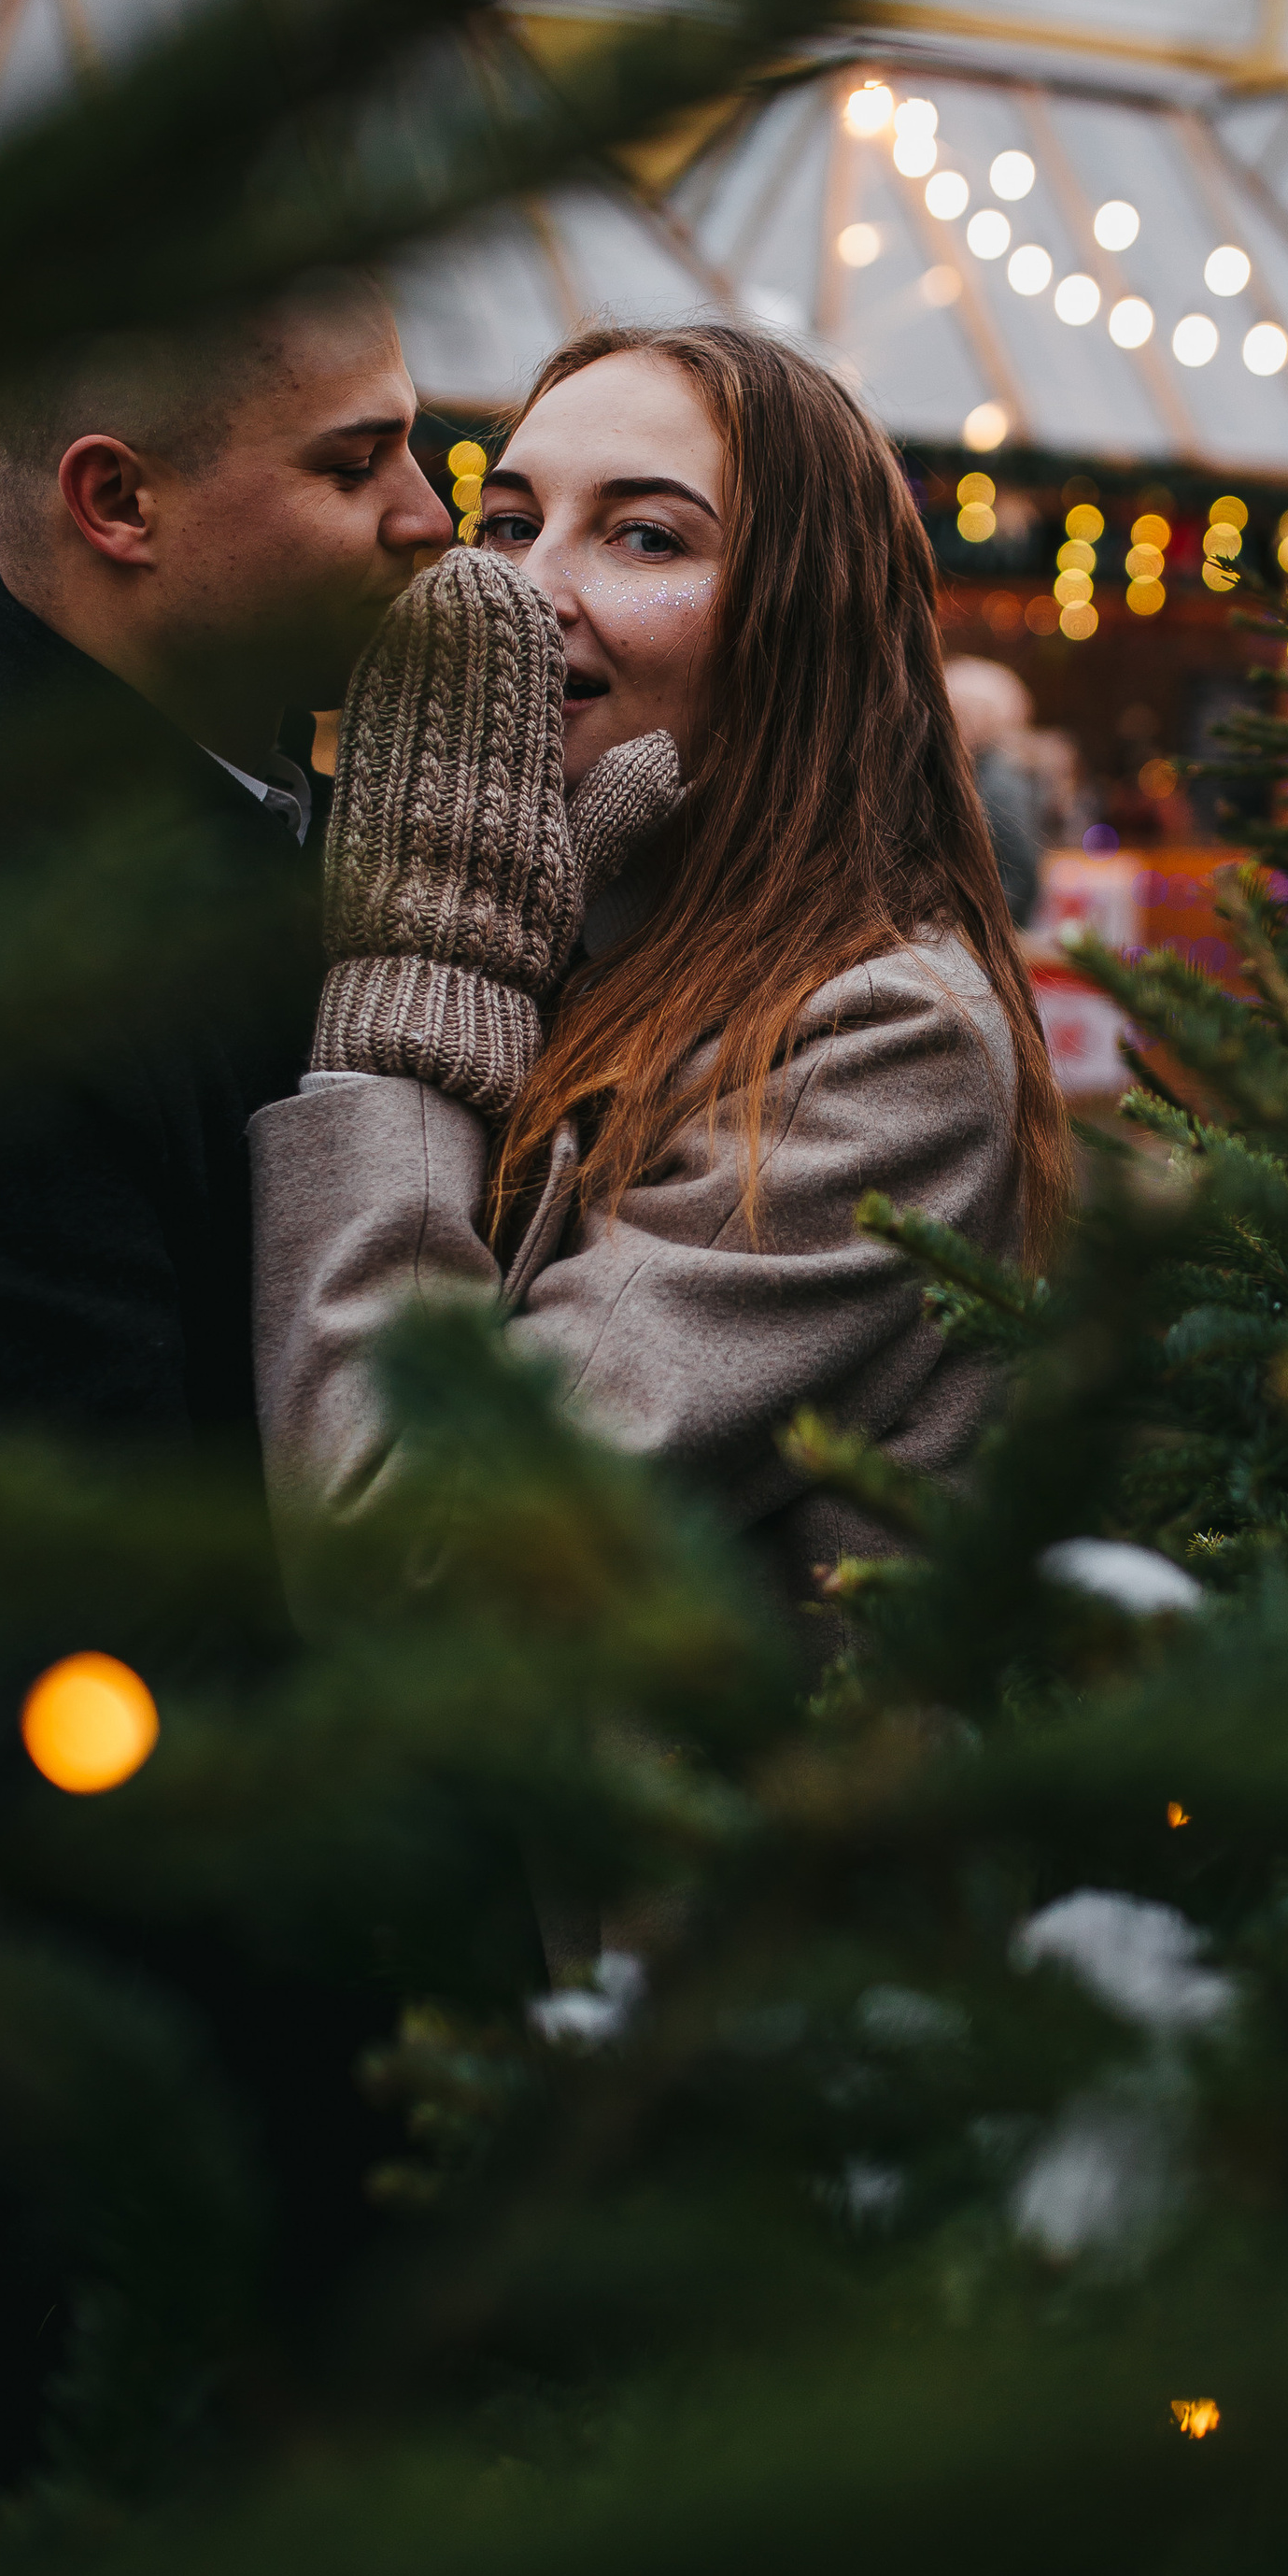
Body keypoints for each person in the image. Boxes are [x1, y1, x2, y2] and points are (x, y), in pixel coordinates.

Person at [0, 275, 454, 2556]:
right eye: (355, 462)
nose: (427, 518)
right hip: (95, 2212)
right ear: (116, 500)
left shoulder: (205, 828)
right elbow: (75, 1674)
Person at [252, 320, 1072, 1616]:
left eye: (647, 536)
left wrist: (426, 956)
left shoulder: (880, 1038)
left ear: (805, 630)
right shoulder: (592, 925)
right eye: (510, 523)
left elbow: (405, 1549)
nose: (526, 590)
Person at [942, 655, 1046, 929]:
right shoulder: (975, 771)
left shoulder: (1001, 782)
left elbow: (1021, 873)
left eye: (958, 712)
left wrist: (974, 923)